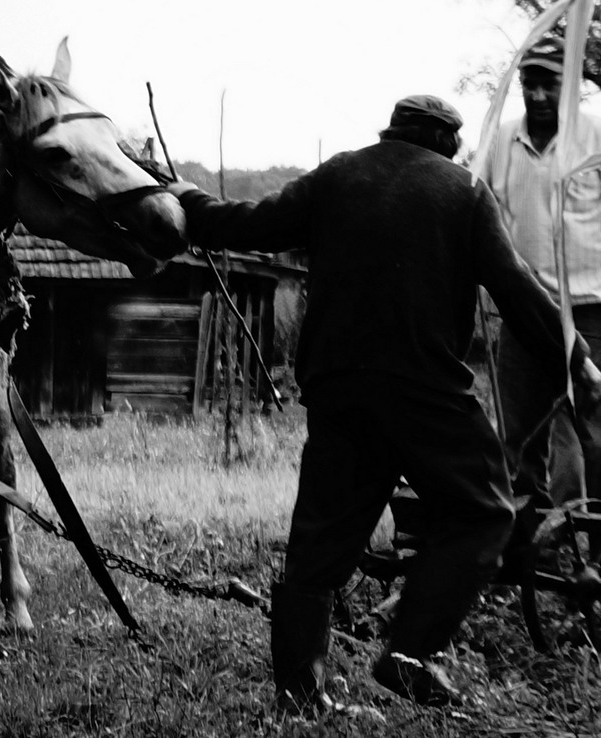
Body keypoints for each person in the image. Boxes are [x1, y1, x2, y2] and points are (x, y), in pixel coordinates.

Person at [167, 95, 601, 713]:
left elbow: (247, 222)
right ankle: (410, 653)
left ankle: (299, 694)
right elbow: (520, 292)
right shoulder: (465, 193)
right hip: (425, 395)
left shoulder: (338, 174)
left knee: (317, 544)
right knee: (484, 511)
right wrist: (578, 359)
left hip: (338, 389)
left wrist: (188, 199)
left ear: (390, 134)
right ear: (448, 145)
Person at [482, 36, 601, 509]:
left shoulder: (595, 138)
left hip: (592, 308)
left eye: (548, 85)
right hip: (526, 310)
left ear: (569, 87)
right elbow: (483, 211)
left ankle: (588, 541)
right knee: (519, 432)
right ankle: (529, 543)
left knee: (589, 426)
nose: (537, 96)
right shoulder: (502, 140)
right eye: (529, 84)